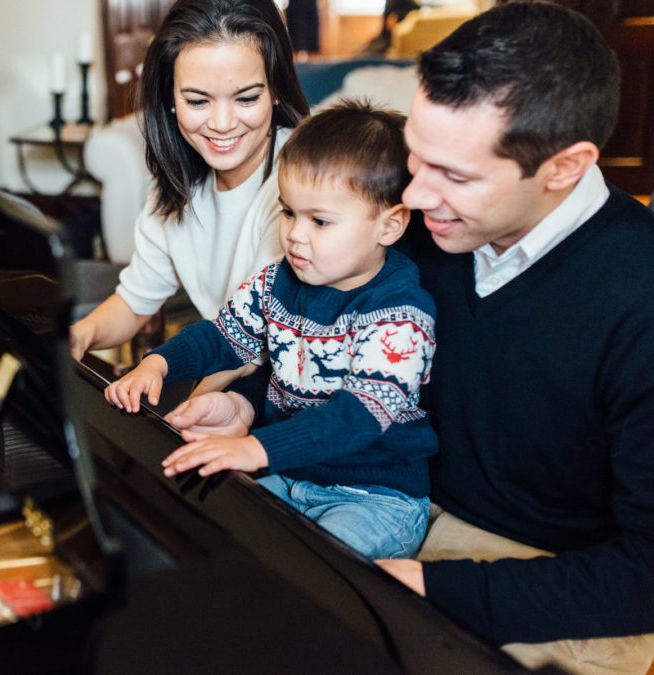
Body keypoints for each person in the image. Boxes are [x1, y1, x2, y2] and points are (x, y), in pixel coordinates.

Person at [167, 3, 654, 673]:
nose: (416, 198)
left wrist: (435, 588)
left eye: (454, 175)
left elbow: (642, 575)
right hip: (387, 497)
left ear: (564, 167)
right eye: (416, 160)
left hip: (544, 581)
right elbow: (337, 343)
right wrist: (251, 398)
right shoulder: (418, 220)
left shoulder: (638, 296)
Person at [106, 100, 438, 560]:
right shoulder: (278, 281)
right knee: (212, 535)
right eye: (288, 212)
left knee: (313, 571)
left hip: (376, 497)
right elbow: (220, 337)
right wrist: (158, 363)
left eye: (320, 220)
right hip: (293, 472)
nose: (295, 235)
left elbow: (357, 417)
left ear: (390, 225)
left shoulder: (399, 312)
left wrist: (256, 449)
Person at [69, 0, 310, 374]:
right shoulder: (177, 185)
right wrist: (78, 336)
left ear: (276, 88)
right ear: (169, 99)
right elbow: (135, 302)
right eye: (197, 101)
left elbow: (261, 346)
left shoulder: (303, 185)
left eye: (246, 98)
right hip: (221, 369)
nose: (222, 123)